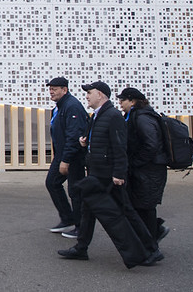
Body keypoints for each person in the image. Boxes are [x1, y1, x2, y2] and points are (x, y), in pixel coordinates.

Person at [58, 81, 161, 268]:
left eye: (90, 93)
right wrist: (85, 142)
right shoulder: (97, 115)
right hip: (96, 173)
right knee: (87, 211)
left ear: (100, 94)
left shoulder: (113, 116)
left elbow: (119, 146)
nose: (87, 96)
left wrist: (119, 173)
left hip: (108, 176)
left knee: (126, 213)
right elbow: (100, 141)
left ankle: (150, 249)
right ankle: (81, 248)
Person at [117, 87, 170, 242]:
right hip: (146, 169)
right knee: (139, 205)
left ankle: (151, 241)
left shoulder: (142, 118)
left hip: (150, 170)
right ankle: (152, 235)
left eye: (123, 100)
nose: (120, 103)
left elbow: (151, 144)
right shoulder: (135, 115)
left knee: (145, 206)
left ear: (132, 101)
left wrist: (135, 162)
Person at [45, 77, 88, 238]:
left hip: (72, 156)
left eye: (55, 89)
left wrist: (66, 160)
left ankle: (81, 226)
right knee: (52, 183)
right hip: (62, 154)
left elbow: (74, 135)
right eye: (50, 89)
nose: (51, 92)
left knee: (75, 190)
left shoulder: (72, 107)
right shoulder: (58, 108)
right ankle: (67, 218)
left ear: (65, 90)